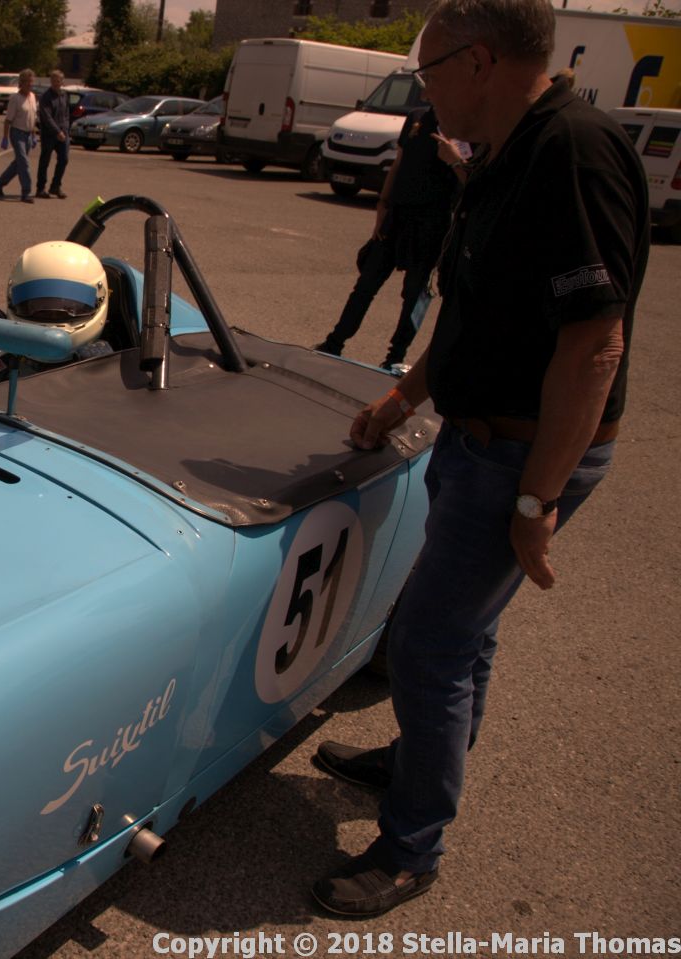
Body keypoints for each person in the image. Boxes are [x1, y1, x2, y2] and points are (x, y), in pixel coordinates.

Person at [310, 0, 649, 918]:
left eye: (427, 73)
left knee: (428, 640)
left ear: (481, 62)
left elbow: (595, 344)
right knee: (465, 630)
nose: (423, 95)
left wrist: (537, 502)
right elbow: (472, 315)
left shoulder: (571, 152)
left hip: (520, 456)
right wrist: (401, 400)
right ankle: (424, 762)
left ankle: (412, 847)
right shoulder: (507, 152)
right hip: (481, 442)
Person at [315, 106, 466, 370]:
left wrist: (454, 160)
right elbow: (399, 162)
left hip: (431, 223)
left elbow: (472, 181)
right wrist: (383, 204)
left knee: (414, 294)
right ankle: (333, 344)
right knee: (366, 284)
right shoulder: (418, 117)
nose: (426, 89)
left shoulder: (464, 123)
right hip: (396, 216)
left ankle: (394, 358)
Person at [0, 240, 112, 388]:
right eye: (36, 305)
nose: (49, 316)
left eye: (67, 307)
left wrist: (107, 378)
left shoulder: (112, 378)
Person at [0, 69, 38, 203]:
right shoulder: (15, 98)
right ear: (21, 83)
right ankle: (26, 192)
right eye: (27, 82)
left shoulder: (32, 96)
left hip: (28, 134)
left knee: (18, 164)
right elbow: (8, 120)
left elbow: (33, 118)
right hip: (17, 133)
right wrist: (5, 137)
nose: (30, 85)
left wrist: (33, 135)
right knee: (24, 162)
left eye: (31, 82)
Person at [36, 70, 70, 200]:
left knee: (64, 159)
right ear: (51, 81)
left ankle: (55, 186)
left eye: (58, 81)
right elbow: (46, 117)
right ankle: (40, 188)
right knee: (45, 161)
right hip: (49, 135)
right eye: (54, 81)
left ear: (62, 82)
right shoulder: (46, 97)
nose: (56, 83)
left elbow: (66, 114)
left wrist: (65, 129)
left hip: (63, 134)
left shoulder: (64, 95)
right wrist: (57, 131)